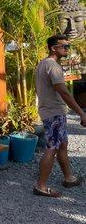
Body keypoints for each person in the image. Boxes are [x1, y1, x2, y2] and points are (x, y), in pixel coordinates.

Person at [33, 35, 86, 198]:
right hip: (54, 113)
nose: (67, 49)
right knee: (52, 147)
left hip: (52, 111)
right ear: (53, 48)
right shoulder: (52, 66)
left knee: (62, 144)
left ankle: (69, 178)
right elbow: (63, 91)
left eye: (68, 46)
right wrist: (81, 112)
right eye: (64, 46)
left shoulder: (43, 64)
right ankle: (41, 186)